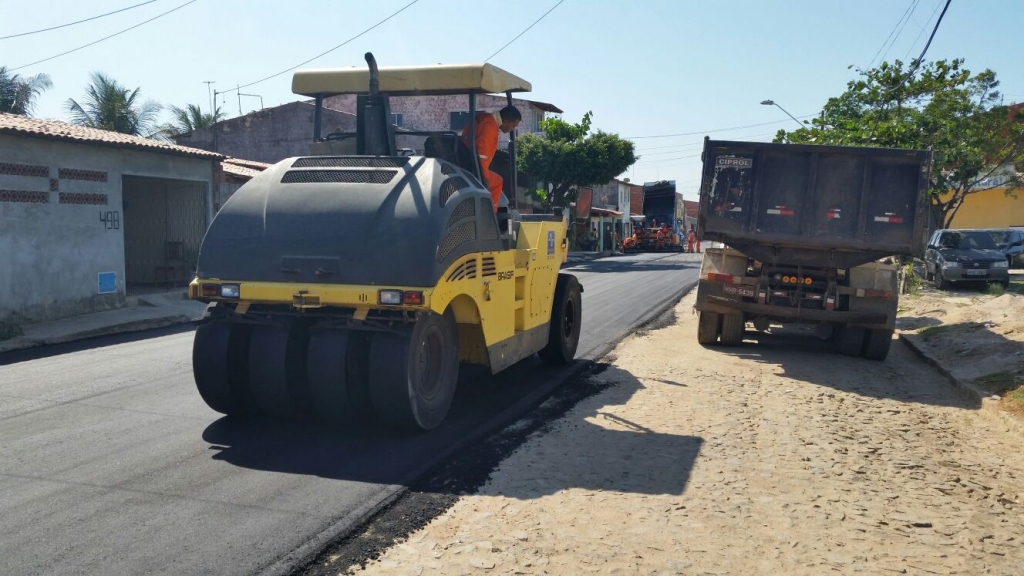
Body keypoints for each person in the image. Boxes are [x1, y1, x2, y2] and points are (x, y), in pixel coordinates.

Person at [460, 105, 522, 212]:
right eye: (513, 126)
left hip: (465, 161)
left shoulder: (484, 118)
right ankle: (490, 215)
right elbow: (482, 156)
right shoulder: (490, 126)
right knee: (497, 181)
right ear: (506, 121)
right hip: (472, 168)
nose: (512, 129)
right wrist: (483, 181)